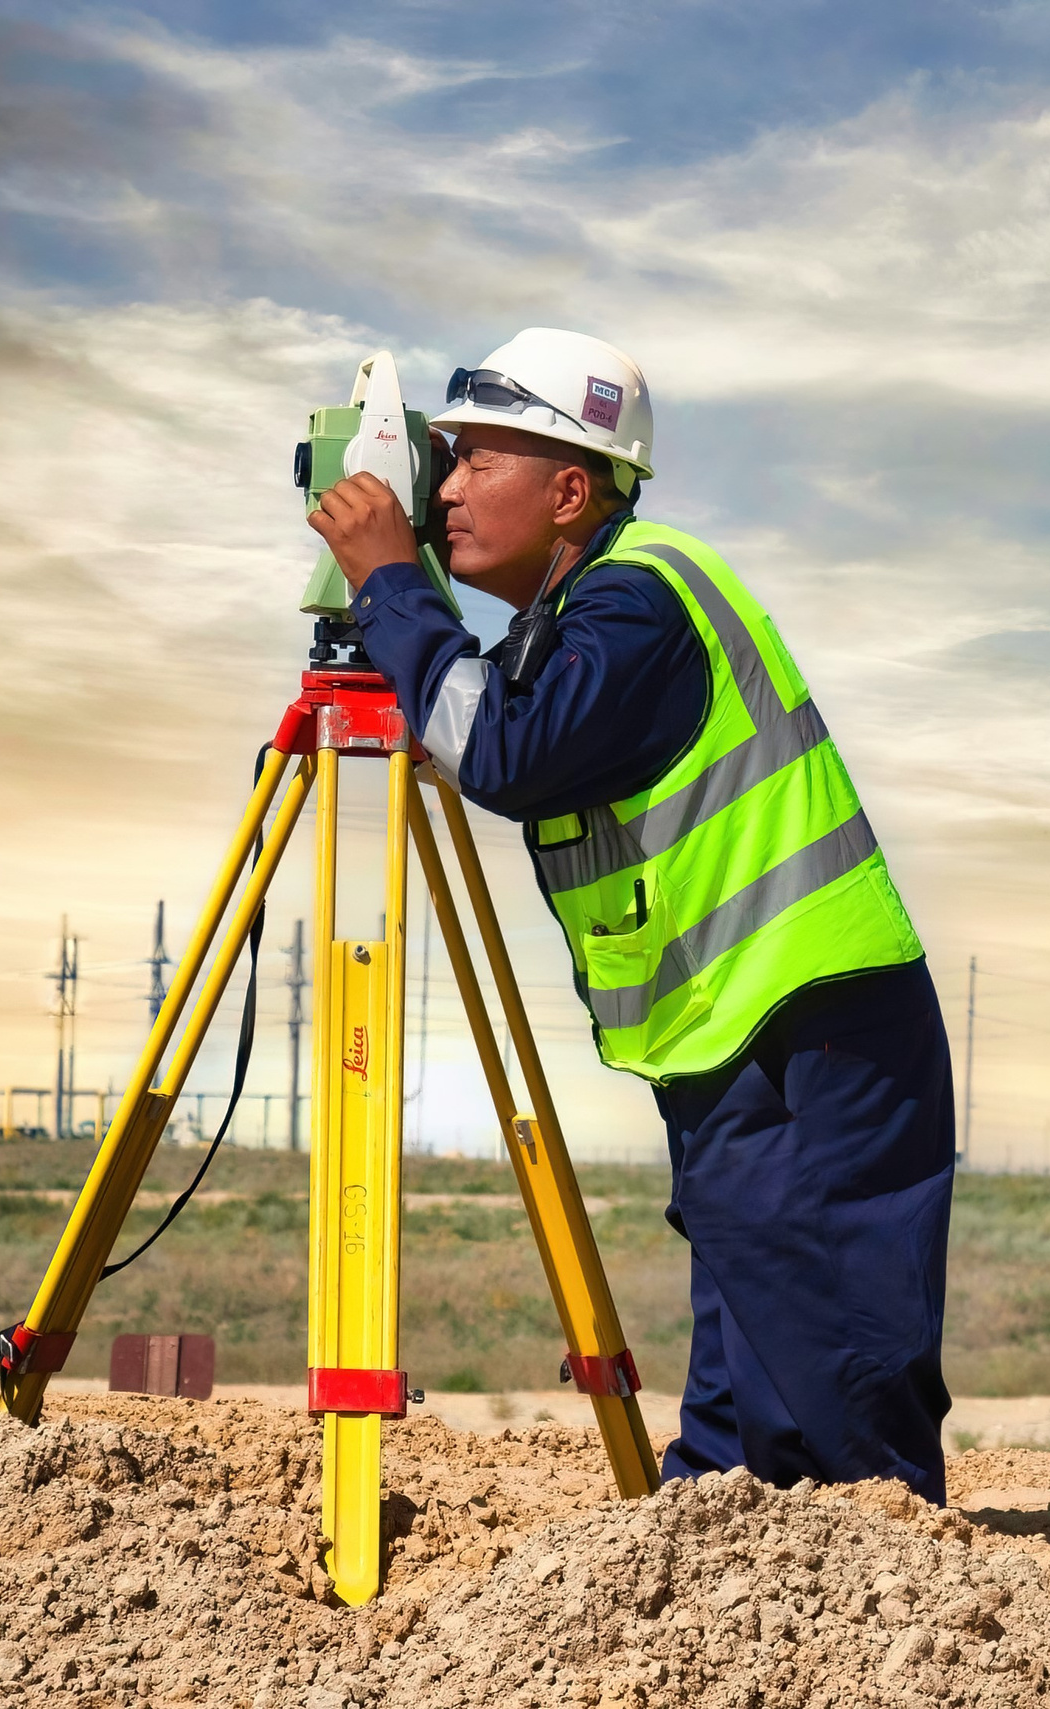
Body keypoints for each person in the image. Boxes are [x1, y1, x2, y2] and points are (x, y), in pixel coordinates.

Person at [305, 329, 955, 1504]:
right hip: (740, 1029)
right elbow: (497, 730)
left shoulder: (638, 599)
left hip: (813, 1026)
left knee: (838, 1364)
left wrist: (392, 586)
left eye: (474, 461)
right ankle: (714, 1532)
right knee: (755, 1347)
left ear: (569, 490)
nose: (441, 489)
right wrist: (402, 625)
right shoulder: (579, 620)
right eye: (438, 463)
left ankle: (897, 1604)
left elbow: (503, 751)